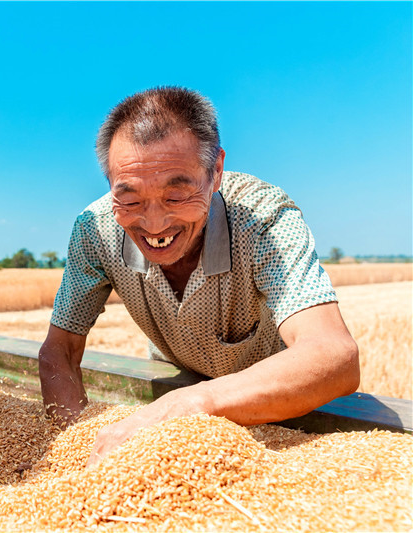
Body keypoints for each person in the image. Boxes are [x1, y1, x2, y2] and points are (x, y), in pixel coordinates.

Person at [38, 87, 360, 466]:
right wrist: (77, 450)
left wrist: (189, 403)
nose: (154, 223)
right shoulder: (94, 230)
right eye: (131, 199)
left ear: (216, 171)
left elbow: (334, 356)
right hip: (179, 406)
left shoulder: (265, 220)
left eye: (176, 196)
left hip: (280, 404)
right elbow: (60, 350)